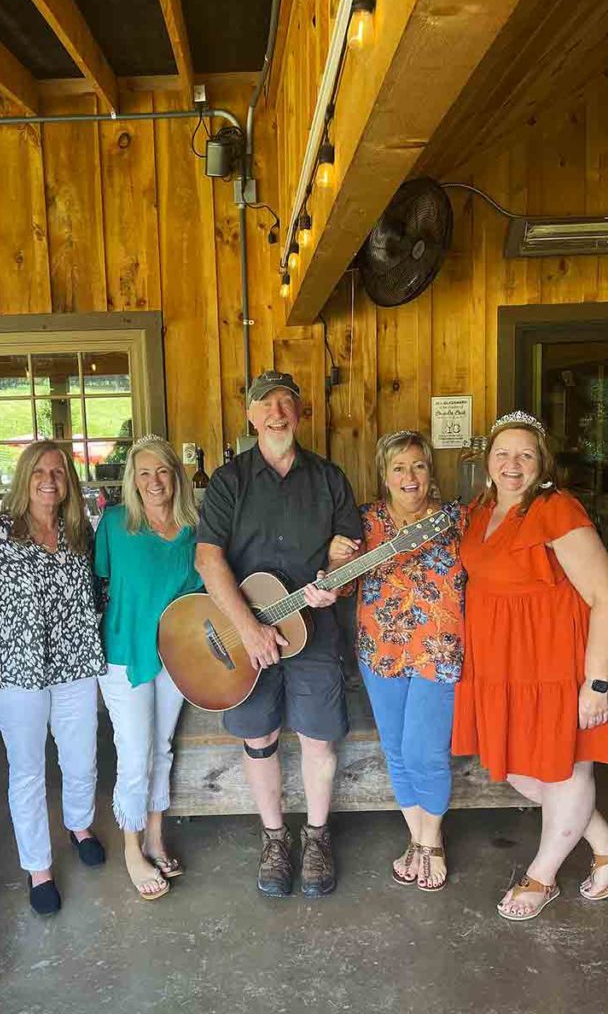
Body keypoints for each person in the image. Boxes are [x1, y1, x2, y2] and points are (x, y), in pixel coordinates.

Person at [195, 370, 361, 898]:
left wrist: (334, 579)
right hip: (247, 637)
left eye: (286, 403)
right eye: (265, 404)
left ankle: (315, 836)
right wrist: (248, 628)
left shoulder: (330, 477)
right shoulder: (229, 481)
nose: (276, 412)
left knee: (318, 738)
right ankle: (273, 838)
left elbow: (345, 548)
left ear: (299, 412)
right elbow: (208, 558)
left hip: (317, 628)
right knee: (258, 736)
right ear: (250, 416)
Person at [452, 411, 608, 920]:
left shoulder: (557, 509)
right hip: (502, 665)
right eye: (503, 453)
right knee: (522, 768)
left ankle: (541, 877)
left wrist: (598, 682)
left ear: (542, 462)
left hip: (554, 662)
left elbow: (603, 595)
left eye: (525, 454)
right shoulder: (481, 509)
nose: (512, 464)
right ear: (487, 461)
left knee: (564, 768)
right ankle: (605, 845)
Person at [334, 430, 467, 891]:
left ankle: (432, 843)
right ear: (384, 475)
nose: (410, 477)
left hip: (440, 651)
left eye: (418, 466)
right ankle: (417, 837)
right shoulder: (364, 521)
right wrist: (333, 562)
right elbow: (343, 585)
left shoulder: (457, 519)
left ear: (431, 472)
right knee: (395, 749)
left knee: (424, 751)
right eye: (399, 468)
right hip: (381, 651)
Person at [0, 441, 106, 916]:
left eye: (58, 471)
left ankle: (79, 825)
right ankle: (38, 867)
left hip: (74, 662)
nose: (49, 479)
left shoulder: (79, 532)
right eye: (39, 471)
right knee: (28, 770)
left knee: (81, 756)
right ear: (24, 477)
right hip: (17, 669)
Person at [95, 434, 201, 900]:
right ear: (132, 481)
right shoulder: (115, 524)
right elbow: (99, 582)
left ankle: (156, 836)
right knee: (135, 753)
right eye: (144, 473)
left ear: (176, 476)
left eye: (162, 471)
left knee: (161, 747)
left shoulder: (195, 528)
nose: (154, 481)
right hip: (125, 651)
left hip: (176, 653)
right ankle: (131, 848)